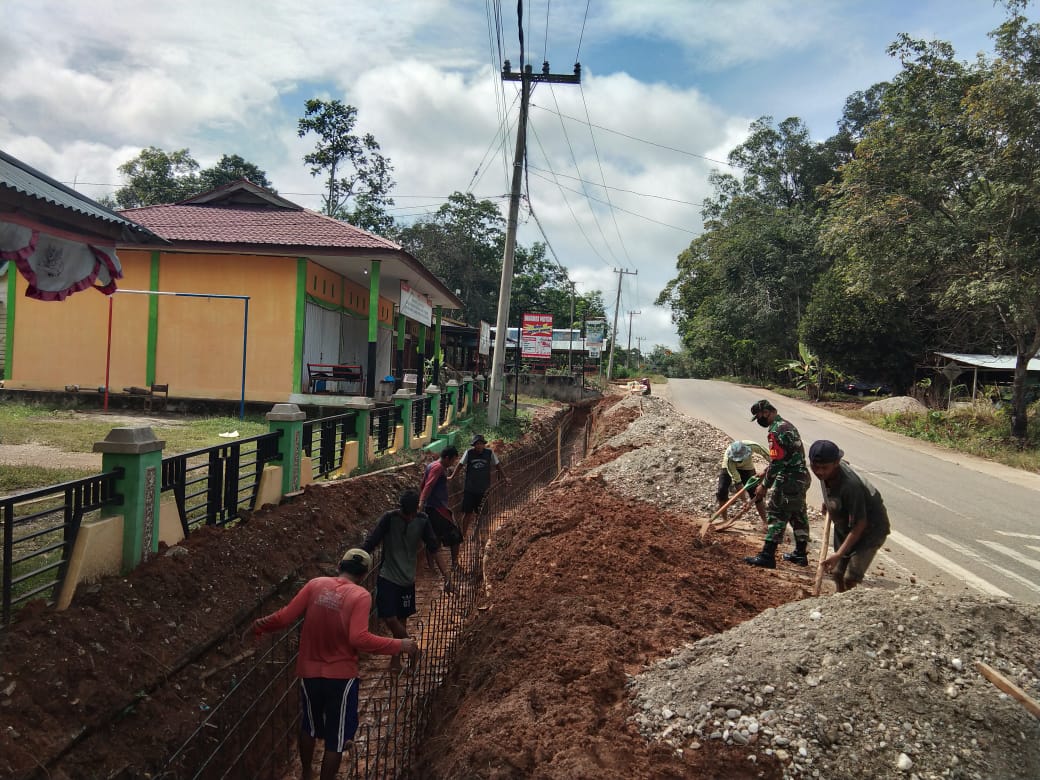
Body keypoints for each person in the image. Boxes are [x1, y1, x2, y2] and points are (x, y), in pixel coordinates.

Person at [251, 548, 417, 780]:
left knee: (309, 725)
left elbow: (285, 616)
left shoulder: (315, 584)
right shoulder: (360, 596)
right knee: (337, 738)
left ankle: (306, 773)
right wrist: (399, 645)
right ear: (363, 575)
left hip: (309, 672)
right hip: (340, 677)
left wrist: (259, 624)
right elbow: (359, 639)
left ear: (340, 565)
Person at [361, 490, 452, 669]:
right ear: (400, 508)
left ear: (416, 510)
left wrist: (447, 578)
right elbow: (370, 543)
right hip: (388, 576)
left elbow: (435, 549)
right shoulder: (389, 519)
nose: (410, 518)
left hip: (407, 579)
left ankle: (395, 661)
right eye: (406, 514)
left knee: (401, 619)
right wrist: (354, 561)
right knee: (389, 618)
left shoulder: (422, 520)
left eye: (412, 514)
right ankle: (413, 648)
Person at [808, 440, 891, 592]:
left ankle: (849, 601)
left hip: (870, 529)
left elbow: (860, 524)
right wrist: (830, 502)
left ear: (836, 463)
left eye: (824, 468)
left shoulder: (850, 486)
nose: (819, 472)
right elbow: (835, 481)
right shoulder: (828, 472)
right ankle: (840, 598)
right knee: (837, 573)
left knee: (850, 577)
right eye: (815, 467)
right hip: (846, 523)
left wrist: (839, 554)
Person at [744, 399, 812, 569]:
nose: (759, 420)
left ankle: (767, 556)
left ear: (767, 412)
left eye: (759, 416)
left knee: (776, 513)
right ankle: (800, 554)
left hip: (788, 480)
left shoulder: (775, 431)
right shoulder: (787, 426)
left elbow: (778, 462)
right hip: (801, 477)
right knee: (798, 515)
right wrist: (765, 471)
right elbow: (786, 456)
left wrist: (764, 485)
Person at [451, 434, 508, 536]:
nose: (479, 446)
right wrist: (452, 476)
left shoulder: (489, 453)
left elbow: (497, 465)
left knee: (481, 513)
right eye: (477, 444)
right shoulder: (469, 453)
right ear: (474, 445)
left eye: (481, 444)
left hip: (483, 489)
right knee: (467, 513)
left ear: (484, 444)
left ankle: (476, 533)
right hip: (470, 489)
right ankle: (463, 534)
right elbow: (460, 464)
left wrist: (504, 477)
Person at [419, 446, 463, 567]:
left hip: (432, 507)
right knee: (455, 534)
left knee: (434, 537)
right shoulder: (438, 468)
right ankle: (454, 564)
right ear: (447, 458)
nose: (453, 463)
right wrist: (421, 502)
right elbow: (428, 485)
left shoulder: (432, 465)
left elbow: (423, 484)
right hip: (437, 508)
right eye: (453, 460)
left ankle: (432, 566)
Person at [716, 440, 769, 523]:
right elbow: (738, 483)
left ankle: (765, 522)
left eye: (740, 459)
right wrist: (744, 501)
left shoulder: (752, 446)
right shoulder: (729, 461)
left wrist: (767, 470)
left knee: (755, 491)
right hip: (729, 467)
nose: (739, 461)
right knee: (722, 490)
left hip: (747, 467)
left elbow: (773, 459)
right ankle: (724, 520)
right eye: (737, 460)